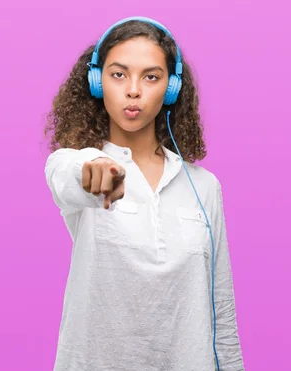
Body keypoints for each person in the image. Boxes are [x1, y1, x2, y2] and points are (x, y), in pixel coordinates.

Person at [43, 16, 245, 371]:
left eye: (151, 77)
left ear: (171, 88)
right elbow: (68, 176)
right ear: (96, 81)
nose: (133, 90)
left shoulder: (203, 186)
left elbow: (221, 307)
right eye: (119, 74)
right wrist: (94, 171)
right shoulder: (74, 163)